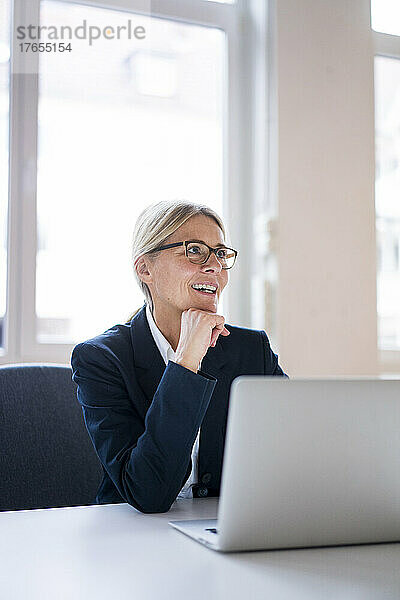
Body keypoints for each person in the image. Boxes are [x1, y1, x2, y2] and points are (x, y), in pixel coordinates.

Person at [71, 200, 287, 513]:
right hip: (130, 536)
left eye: (220, 253)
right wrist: (186, 361)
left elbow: (297, 451)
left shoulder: (252, 351)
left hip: (225, 526)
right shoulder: (101, 359)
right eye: (195, 250)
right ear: (146, 268)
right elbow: (148, 492)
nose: (214, 266)